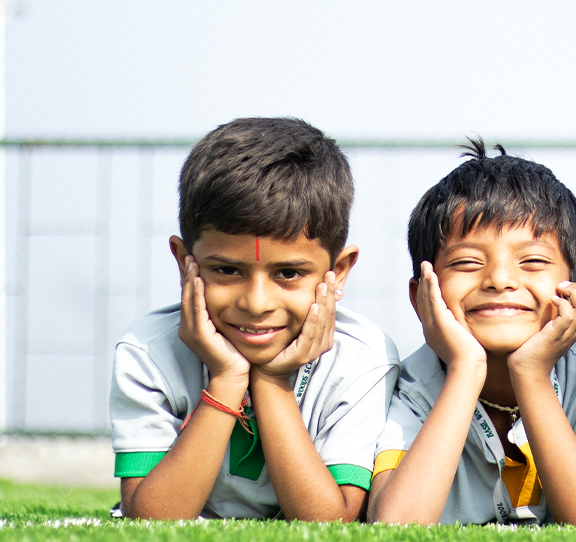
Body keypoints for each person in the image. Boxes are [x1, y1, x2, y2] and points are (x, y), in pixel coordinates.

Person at [109, 117, 398, 521]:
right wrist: (227, 380)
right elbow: (152, 521)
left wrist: (273, 383)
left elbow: (330, 522)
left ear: (340, 272)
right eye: (227, 270)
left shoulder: (362, 358)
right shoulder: (149, 351)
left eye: (288, 274)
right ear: (183, 262)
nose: (257, 303)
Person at [367, 142, 576, 525]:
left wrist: (532, 375)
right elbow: (393, 529)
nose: (500, 280)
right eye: (466, 262)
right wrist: (465, 369)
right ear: (422, 293)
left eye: (533, 261)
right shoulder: (411, 385)